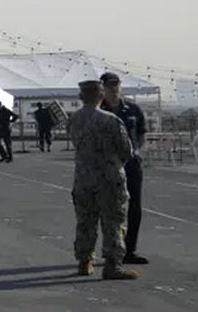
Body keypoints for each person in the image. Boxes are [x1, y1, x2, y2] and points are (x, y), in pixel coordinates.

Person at [68, 79, 138, 280]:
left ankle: (84, 261)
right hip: (109, 177)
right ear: (102, 96)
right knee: (114, 221)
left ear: (81, 97)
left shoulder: (74, 120)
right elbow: (126, 150)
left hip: (82, 177)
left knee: (85, 221)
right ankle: (112, 264)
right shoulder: (110, 120)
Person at [100, 72, 148, 265]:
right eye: (110, 85)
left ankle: (129, 249)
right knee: (108, 208)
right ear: (102, 88)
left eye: (116, 85)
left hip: (130, 164)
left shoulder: (133, 109)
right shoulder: (99, 111)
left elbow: (142, 134)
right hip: (107, 166)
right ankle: (111, 249)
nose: (114, 89)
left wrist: (135, 152)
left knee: (134, 207)